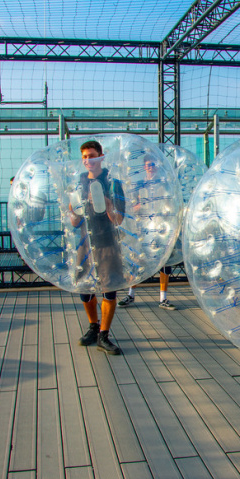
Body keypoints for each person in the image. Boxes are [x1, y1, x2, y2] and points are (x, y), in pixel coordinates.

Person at [69, 140, 125, 355]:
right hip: (85, 244)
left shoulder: (113, 183)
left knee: (109, 290)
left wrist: (108, 204)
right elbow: (75, 222)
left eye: (92, 155)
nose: (87, 160)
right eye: (84, 157)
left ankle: (104, 334)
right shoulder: (78, 184)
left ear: (101, 156)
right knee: (84, 289)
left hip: (107, 244)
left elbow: (119, 220)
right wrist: (73, 211)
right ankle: (93, 326)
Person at [118, 156, 177, 311]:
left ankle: (163, 298)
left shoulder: (164, 184)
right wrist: (140, 206)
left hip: (161, 228)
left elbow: (169, 204)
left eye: (153, 164)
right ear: (144, 167)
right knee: (137, 261)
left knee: (164, 262)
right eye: (148, 165)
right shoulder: (139, 185)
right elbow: (132, 206)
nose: (151, 167)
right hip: (143, 229)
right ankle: (131, 294)